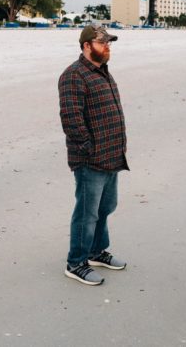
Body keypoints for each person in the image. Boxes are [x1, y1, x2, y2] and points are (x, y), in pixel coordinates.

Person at [58, 24, 129, 286]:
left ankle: (96, 251)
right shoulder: (73, 75)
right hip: (90, 159)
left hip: (111, 155)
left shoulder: (103, 73)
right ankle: (76, 262)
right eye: (102, 43)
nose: (107, 46)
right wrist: (88, 148)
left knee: (105, 208)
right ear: (87, 46)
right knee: (86, 213)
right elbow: (71, 118)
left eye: (109, 42)